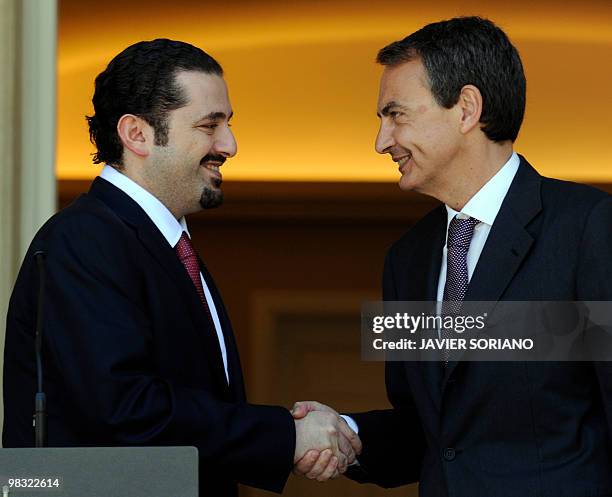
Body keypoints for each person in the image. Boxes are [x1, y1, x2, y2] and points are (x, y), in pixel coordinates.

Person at [2, 39, 360, 496]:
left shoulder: (163, 243)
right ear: (137, 134)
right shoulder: (85, 239)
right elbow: (124, 410)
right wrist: (286, 435)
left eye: (227, 125)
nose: (229, 145)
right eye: (210, 126)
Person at [293, 16, 612, 496]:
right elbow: (429, 432)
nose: (381, 141)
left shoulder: (591, 226)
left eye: (395, 114)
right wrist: (347, 434)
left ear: (466, 108)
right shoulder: (406, 260)